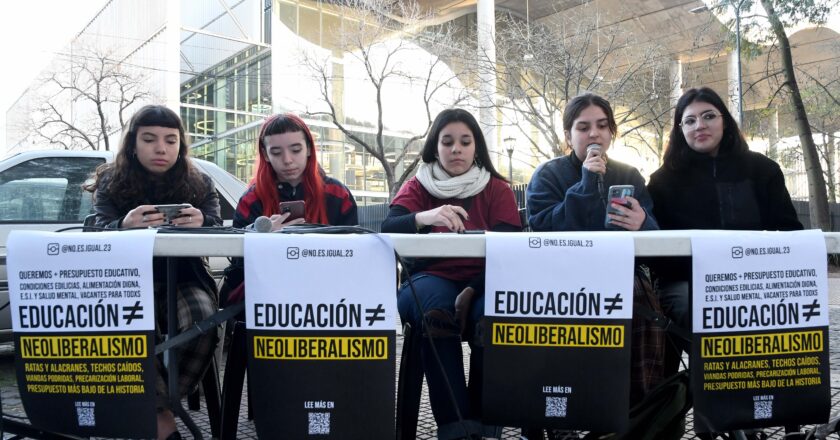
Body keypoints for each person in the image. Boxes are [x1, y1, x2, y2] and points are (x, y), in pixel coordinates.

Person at [382, 108, 521, 439]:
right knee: (437, 313)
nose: (456, 149)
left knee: (495, 314)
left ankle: (487, 425)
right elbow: (389, 228)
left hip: (486, 281)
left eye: (464, 141)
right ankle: (457, 429)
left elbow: (511, 253)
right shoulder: (418, 186)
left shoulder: (497, 189)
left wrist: (473, 289)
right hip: (428, 280)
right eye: (447, 142)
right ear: (435, 147)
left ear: (477, 147)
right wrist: (425, 216)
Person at [86, 105, 220, 440]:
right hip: (126, 284)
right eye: (149, 139)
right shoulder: (111, 182)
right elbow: (97, 231)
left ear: (180, 146)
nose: (161, 148)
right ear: (132, 144)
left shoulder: (200, 182)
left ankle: (152, 406)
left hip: (186, 277)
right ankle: (162, 418)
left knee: (204, 319)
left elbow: (219, 227)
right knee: (124, 332)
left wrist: (203, 222)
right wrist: (123, 225)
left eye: (171, 140)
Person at [526, 92, 663, 406]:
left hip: (620, 274)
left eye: (602, 126)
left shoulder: (629, 175)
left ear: (611, 132)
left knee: (644, 304)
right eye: (583, 126)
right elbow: (543, 226)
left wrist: (643, 223)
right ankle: (559, 409)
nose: (594, 134)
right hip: (560, 275)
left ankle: (639, 411)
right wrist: (586, 184)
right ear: (568, 134)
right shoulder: (548, 175)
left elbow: (655, 240)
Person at [647, 86, 803, 353]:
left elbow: (790, 231)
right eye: (690, 120)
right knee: (691, 304)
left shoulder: (764, 170)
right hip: (686, 284)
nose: (700, 126)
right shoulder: (662, 181)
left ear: (725, 122)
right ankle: (713, 385)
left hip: (755, 281)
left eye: (709, 116)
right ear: (679, 129)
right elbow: (657, 256)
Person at [221, 113, 358, 304]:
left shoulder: (338, 195)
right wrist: (262, 236)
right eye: (276, 152)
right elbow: (238, 262)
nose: (287, 160)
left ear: (309, 149)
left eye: (295, 149)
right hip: (265, 295)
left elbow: (353, 256)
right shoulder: (252, 200)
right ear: (265, 155)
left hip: (327, 294)